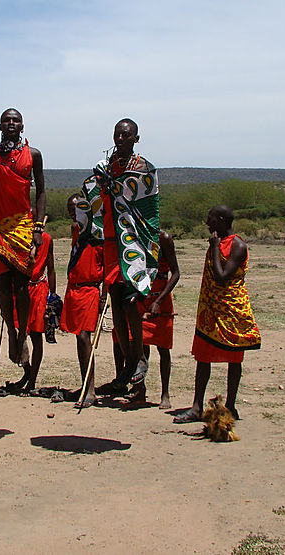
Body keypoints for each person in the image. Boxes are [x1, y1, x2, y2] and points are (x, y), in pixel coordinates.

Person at [79, 118, 160, 396]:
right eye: (117, 134)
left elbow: (146, 204)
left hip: (134, 243)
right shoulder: (107, 166)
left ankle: (138, 359)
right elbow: (97, 197)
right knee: (116, 306)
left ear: (136, 138)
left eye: (126, 135)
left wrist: (114, 185)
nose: (121, 139)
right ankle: (127, 365)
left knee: (130, 304)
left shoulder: (143, 169)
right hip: (112, 243)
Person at [174, 206, 261, 424]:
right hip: (210, 310)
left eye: (210, 219)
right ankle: (196, 406)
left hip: (231, 311)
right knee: (203, 357)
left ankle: (231, 405)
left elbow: (222, 276)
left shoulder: (238, 245)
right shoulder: (219, 242)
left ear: (221, 220)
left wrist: (214, 248)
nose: (207, 223)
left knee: (234, 359)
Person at [0, 108, 46, 371]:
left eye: (16, 120)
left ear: (23, 126)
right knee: (3, 285)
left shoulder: (33, 155)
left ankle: (23, 335)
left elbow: (41, 190)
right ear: (0, 125)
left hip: (22, 225)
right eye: (7, 120)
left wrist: (38, 226)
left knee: (22, 286)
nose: (12, 124)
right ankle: (11, 332)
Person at [125, 229, 180, 408]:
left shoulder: (164, 238)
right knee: (140, 345)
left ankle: (165, 393)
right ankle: (140, 390)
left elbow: (176, 273)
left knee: (163, 348)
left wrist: (159, 300)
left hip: (160, 299)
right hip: (141, 296)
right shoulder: (134, 235)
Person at [62, 194, 105, 408]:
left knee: (84, 338)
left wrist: (104, 293)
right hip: (74, 290)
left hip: (90, 290)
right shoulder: (76, 231)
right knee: (79, 339)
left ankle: (91, 390)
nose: (73, 213)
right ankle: (85, 384)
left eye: (77, 209)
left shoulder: (97, 233)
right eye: (70, 209)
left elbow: (105, 264)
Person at [8, 223, 54, 394]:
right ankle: (27, 371)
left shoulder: (47, 239)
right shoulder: (18, 239)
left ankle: (32, 380)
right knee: (20, 333)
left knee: (36, 335)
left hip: (39, 290)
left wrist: (53, 297)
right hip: (20, 289)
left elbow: (51, 269)